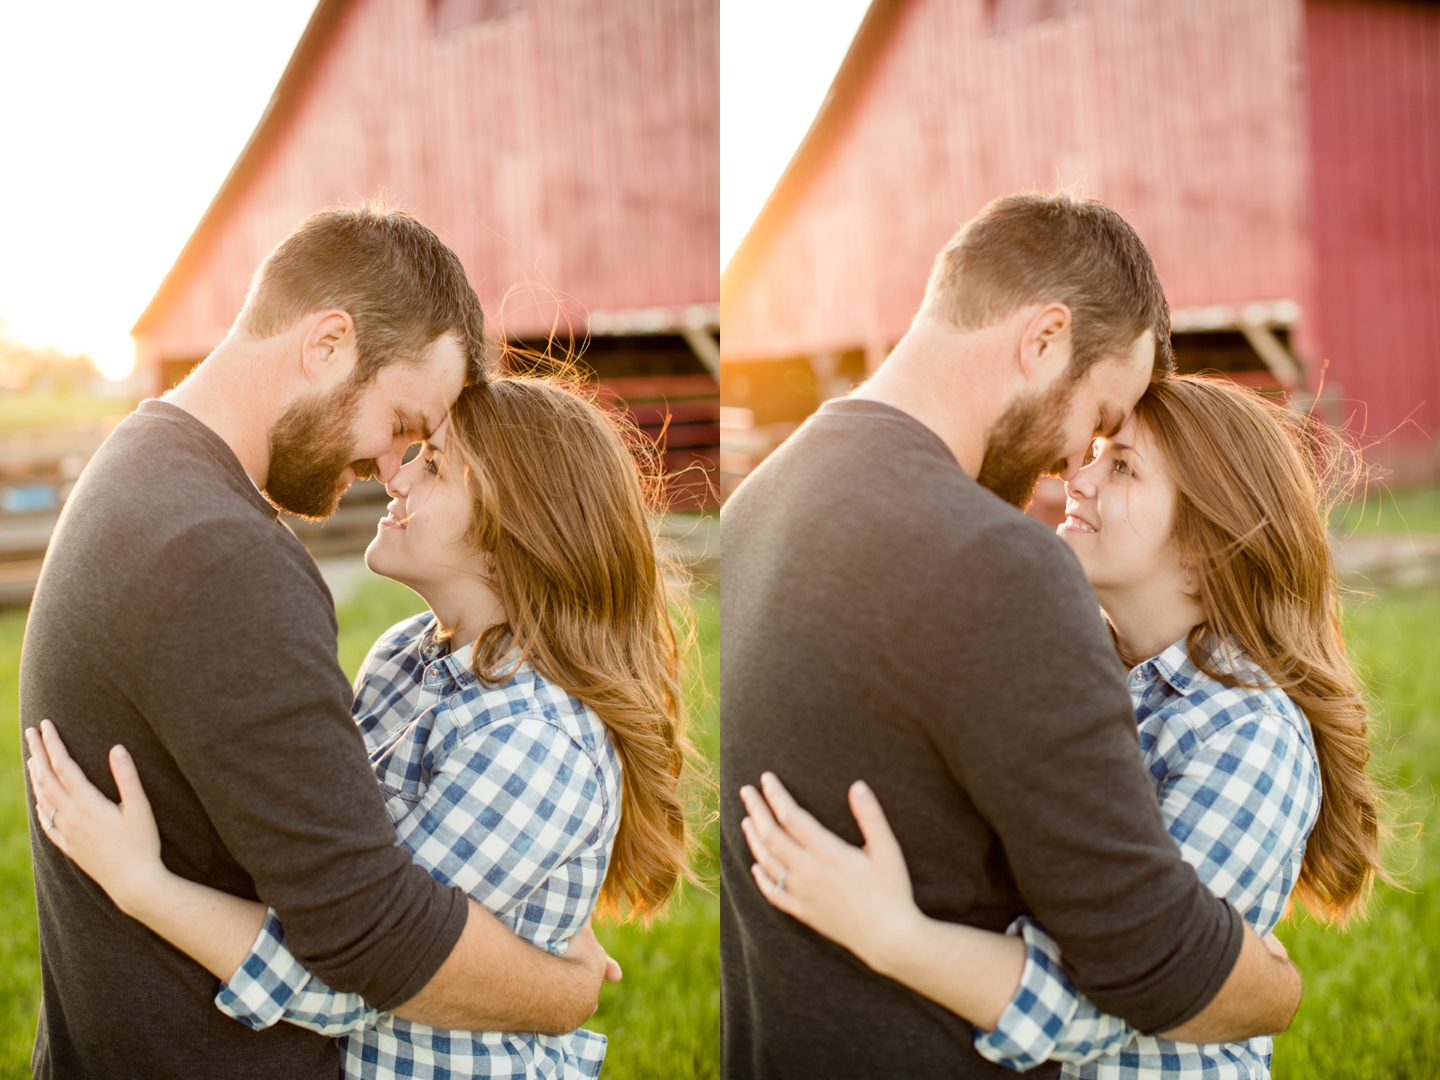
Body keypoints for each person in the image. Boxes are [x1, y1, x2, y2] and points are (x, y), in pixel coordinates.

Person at [19, 205, 614, 1080]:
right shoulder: (225, 557)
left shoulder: (142, 463)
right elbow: (371, 936)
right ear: (328, 344)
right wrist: (565, 988)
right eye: (404, 422)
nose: (389, 468)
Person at [719, 192, 1303, 1080]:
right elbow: (1154, 961)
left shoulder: (759, 505)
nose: (1077, 462)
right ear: (1043, 341)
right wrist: (1274, 992)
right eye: (1100, 419)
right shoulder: (996, 559)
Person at [742, 374, 1387, 1078]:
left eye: (1123, 467)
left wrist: (893, 935)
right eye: (1097, 455)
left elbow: (1125, 992)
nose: (1078, 481)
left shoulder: (1247, 734)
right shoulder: (1075, 670)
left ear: (1205, 547)